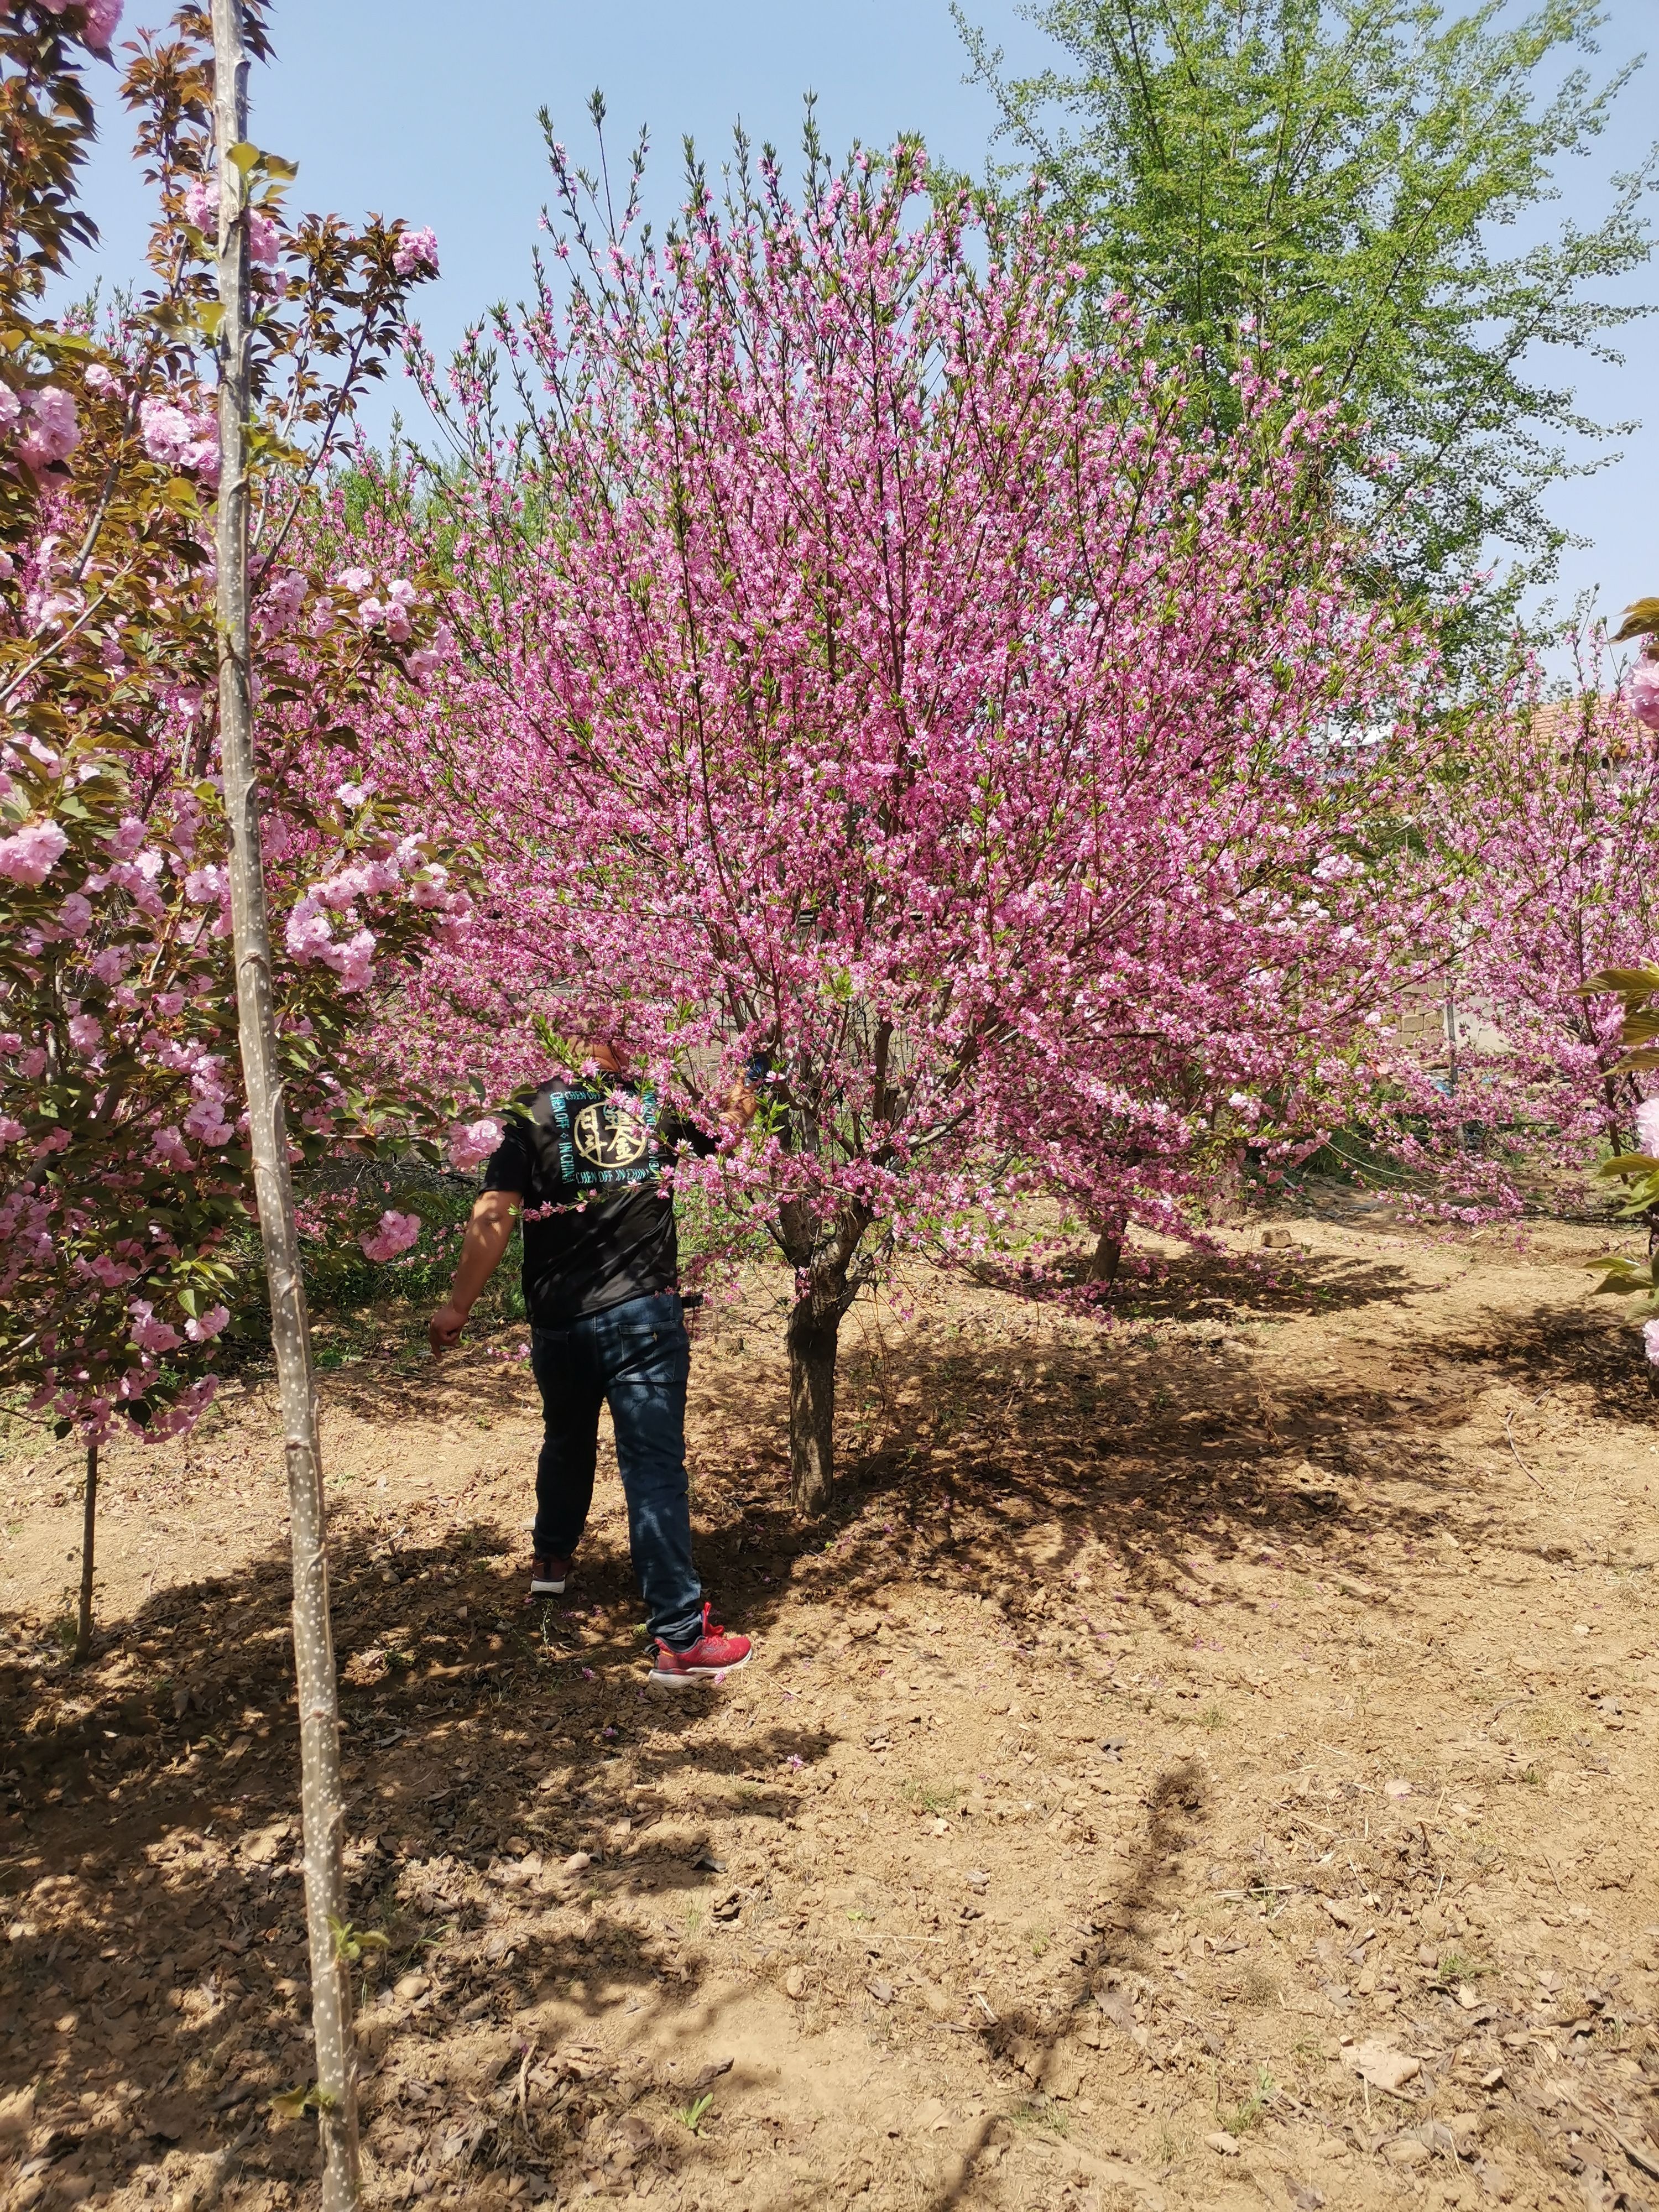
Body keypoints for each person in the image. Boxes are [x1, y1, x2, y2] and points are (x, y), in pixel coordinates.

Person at [428, 1039, 753, 1689]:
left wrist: (458, 1305)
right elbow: (732, 1134)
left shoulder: (529, 1111)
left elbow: (495, 1210)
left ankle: (551, 1563)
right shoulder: (654, 1104)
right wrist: (754, 1070)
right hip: (642, 1317)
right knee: (654, 1468)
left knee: (567, 1438)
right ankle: (680, 1639)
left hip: (560, 1320)